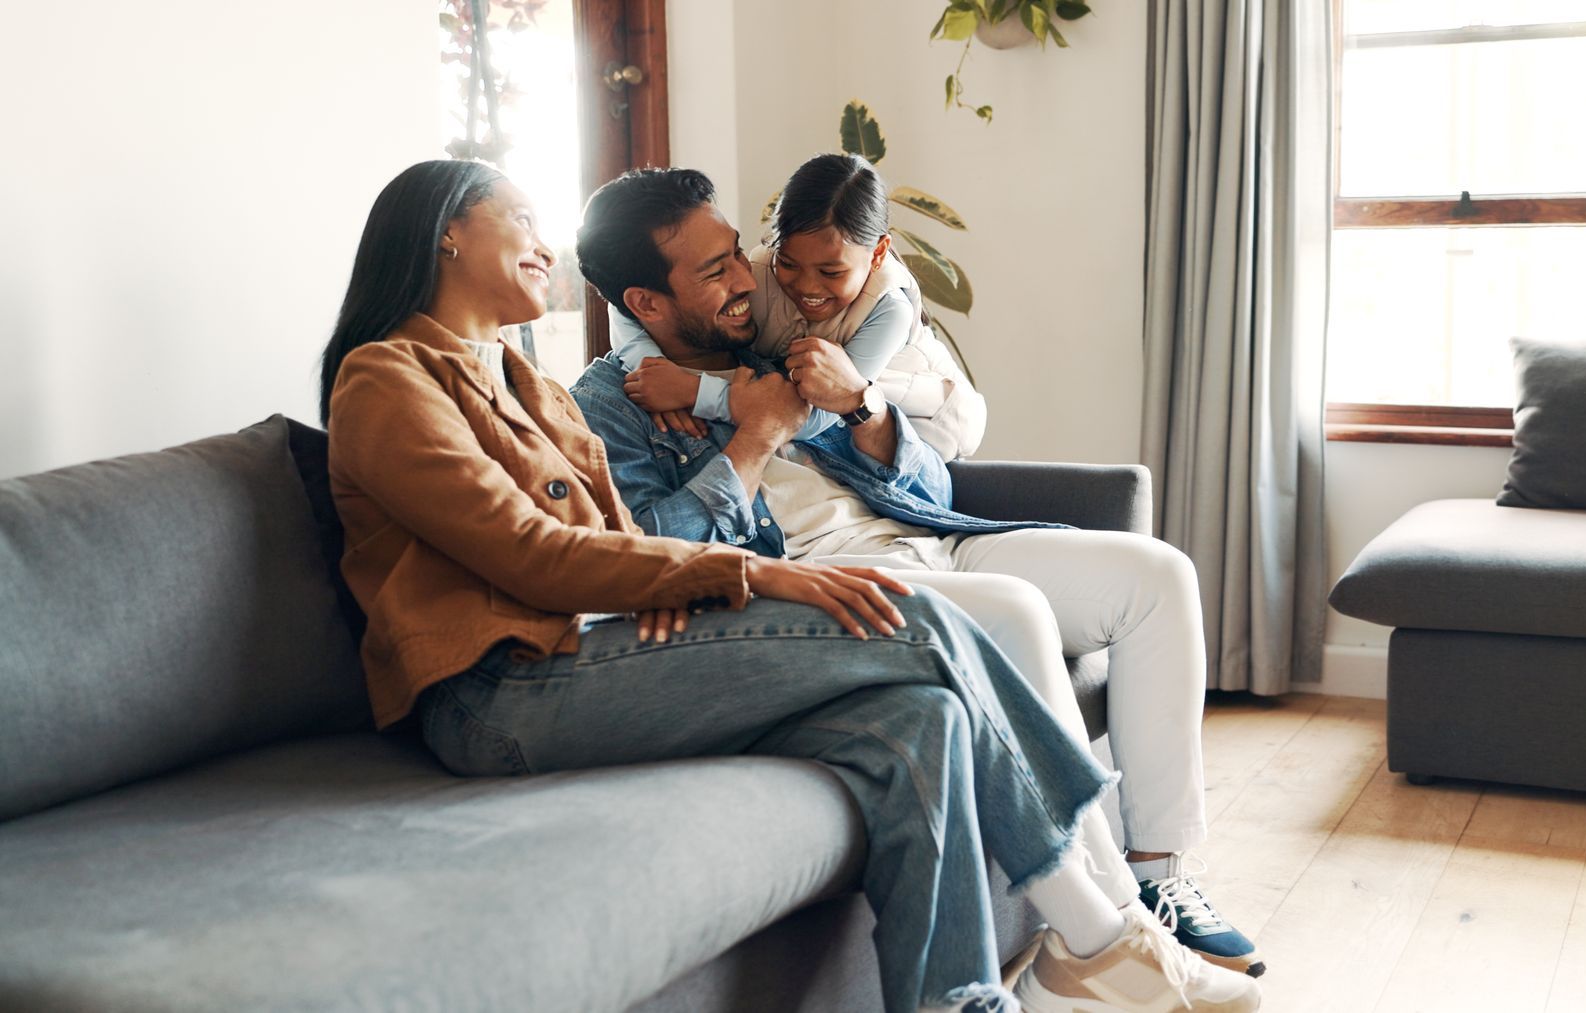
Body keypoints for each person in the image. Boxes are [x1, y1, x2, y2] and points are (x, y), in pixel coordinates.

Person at [319, 159, 1259, 1013]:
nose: (541, 242)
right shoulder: (387, 380)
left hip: (600, 647)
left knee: (919, 723)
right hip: (503, 689)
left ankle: (964, 1001)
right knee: (925, 623)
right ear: (448, 231)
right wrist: (749, 567)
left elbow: (607, 546)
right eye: (519, 217)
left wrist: (680, 591)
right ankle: (1107, 938)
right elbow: (532, 554)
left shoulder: (534, 387)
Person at [569, 167, 1268, 981]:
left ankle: (1158, 880)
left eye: (739, 255)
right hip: (827, 576)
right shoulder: (614, 400)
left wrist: (862, 406)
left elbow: (930, 481)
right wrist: (749, 440)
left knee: (1155, 577)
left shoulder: (776, 335)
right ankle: (1110, 934)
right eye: (718, 269)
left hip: (926, 537)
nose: (751, 279)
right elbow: (651, 546)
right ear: (644, 303)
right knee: (1011, 611)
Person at [613, 152, 985, 461]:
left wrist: (693, 392)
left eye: (830, 271)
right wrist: (652, 368)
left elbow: (815, 415)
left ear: (878, 254)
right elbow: (625, 301)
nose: (807, 287)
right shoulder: (754, 272)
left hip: (926, 419)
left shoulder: (889, 309)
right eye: (788, 263)